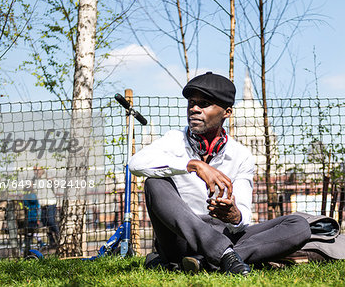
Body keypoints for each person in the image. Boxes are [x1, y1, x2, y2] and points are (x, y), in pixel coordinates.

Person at [129, 72, 311, 275]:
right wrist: (194, 165)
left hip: (224, 232)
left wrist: (235, 215)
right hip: (181, 238)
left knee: (299, 225)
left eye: (204, 103)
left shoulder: (241, 155)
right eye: (191, 103)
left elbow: (243, 216)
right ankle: (225, 256)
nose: (194, 109)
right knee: (154, 183)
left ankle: (207, 262)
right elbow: (136, 163)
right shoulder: (174, 140)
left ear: (227, 112)